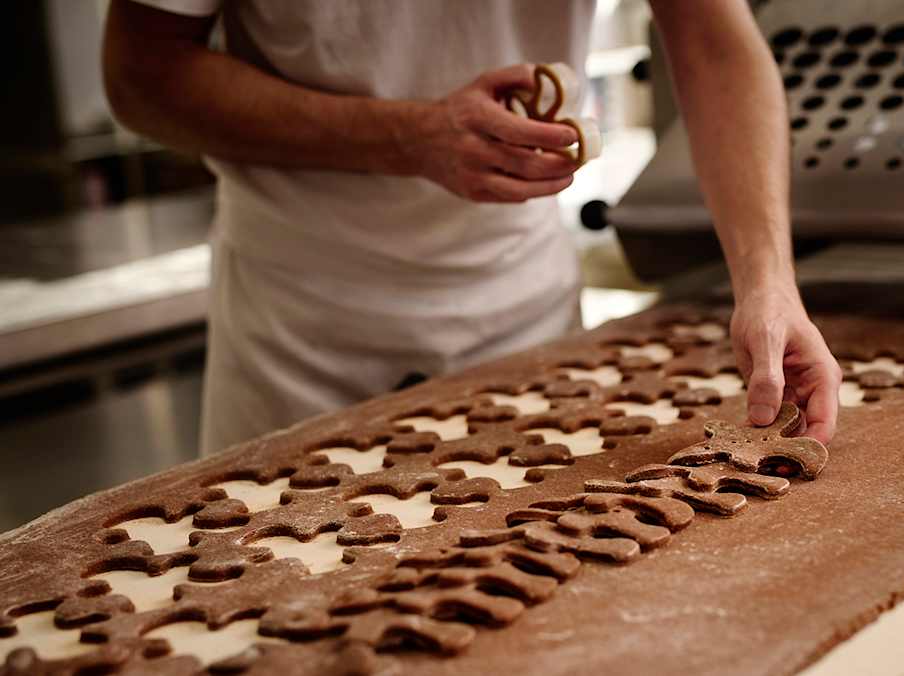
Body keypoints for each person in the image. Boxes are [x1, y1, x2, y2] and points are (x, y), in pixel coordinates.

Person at [103, 0, 842, 456]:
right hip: (301, 320)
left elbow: (712, 37)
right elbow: (141, 72)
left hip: (523, 306)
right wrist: (406, 137)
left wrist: (767, 282)